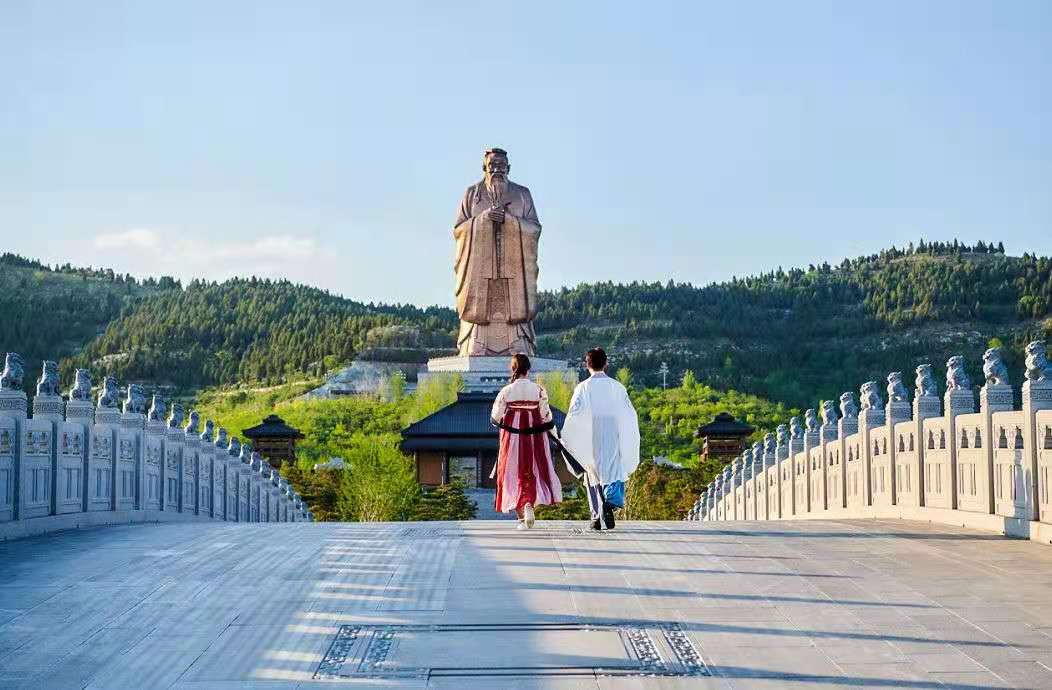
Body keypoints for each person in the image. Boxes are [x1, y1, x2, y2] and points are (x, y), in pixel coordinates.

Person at [559, 347, 640, 531]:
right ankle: (610, 503)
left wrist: (569, 436)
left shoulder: (583, 387)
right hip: (613, 433)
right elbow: (629, 415)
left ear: (587, 365)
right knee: (613, 469)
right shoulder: (618, 387)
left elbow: (575, 414)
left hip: (590, 433)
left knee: (592, 471)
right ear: (606, 364)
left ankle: (596, 515)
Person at [490, 353, 562, 529]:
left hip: (512, 437)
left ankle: (521, 515)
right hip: (534, 436)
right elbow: (546, 416)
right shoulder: (538, 390)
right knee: (533, 468)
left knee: (512, 472)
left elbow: (495, 418)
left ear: (513, 369)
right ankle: (529, 502)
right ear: (528, 370)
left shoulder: (506, 391)